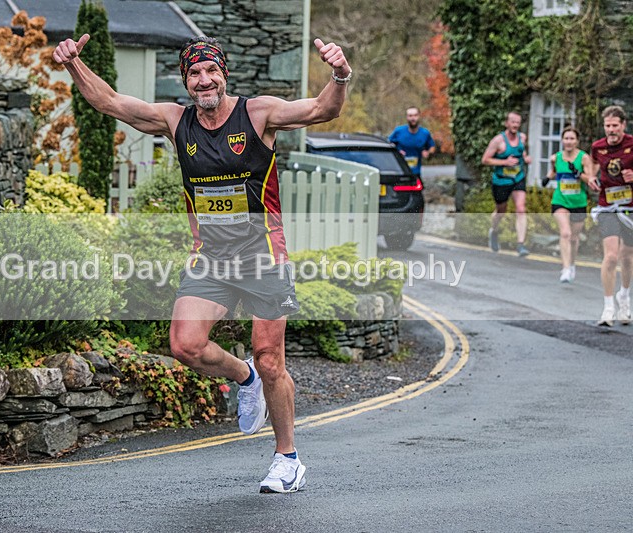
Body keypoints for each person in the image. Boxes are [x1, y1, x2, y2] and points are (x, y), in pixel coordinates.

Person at [53, 34, 351, 492]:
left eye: (211, 71)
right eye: (194, 73)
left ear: (224, 75)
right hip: (210, 256)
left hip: (263, 255)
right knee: (185, 345)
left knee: (272, 359)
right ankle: (243, 377)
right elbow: (110, 102)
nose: (204, 79)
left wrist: (339, 74)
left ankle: (287, 459)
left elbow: (321, 110)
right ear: (187, 81)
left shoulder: (259, 113)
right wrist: (74, 66)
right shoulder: (176, 122)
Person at [588, 105, 633, 327]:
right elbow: (593, 167)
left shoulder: (632, 144)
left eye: (615, 126)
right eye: (607, 126)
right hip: (608, 206)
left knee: (627, 257)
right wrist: (590, 178)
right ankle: (608, 308)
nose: (611, 130)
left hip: (630, 207)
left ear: (624, 125)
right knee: (612, 256)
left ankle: (624, 296)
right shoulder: (598, 147)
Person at [481, 111, 533, 256]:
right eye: (512, 122)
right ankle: (494, 231)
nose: (515, 125)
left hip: (517, 178)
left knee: (521, 208)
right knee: (501, 211)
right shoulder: (498, 141)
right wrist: (505, 162)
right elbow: (485, 160)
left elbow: (521, 153)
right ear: (507, 123)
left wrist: (526, 158)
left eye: (518, 122)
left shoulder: (522, 137)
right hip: (501, 180)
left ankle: (521, 245)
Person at [544, 126, 591, 283]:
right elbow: (552, 173)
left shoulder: (583, 158)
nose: (569, 142)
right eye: (566, 138)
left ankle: (571, 264)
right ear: (562, 140)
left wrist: (578, 174)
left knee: (574, 237)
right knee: (565, 233)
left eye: (572, 139)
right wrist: (547, 178)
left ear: (577, 141)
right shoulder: (556, 157)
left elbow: (590, 180)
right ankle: (564, 269)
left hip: (578, 201)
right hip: (560, 200)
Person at [388, 106, 436, 177]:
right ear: (407, 117)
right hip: (399, 172)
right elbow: (388, 144)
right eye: (410, 116)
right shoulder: (399, 131)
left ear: (419, 116)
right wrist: (397, 152)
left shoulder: (425, 133)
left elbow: (432, 147)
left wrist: (428, 153)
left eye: (415, 115)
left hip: (415, 172)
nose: (413, 118)